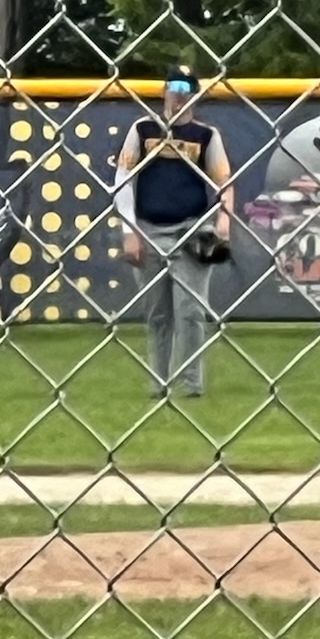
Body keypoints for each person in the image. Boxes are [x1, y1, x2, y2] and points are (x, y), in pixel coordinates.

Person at [114, 71, 234, 398]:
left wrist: (224, 222)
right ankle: (159, 383)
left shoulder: (205, 135)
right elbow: (123, 179)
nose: (179, 94)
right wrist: (129, 231)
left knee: (190, 311)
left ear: (196, 96)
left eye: (187, 89)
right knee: (158, 314)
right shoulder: (143, 130)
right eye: (174, 87)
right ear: (164, 91)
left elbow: (224, 183)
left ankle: (192, 385)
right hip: (149, 230)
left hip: (192, 230)